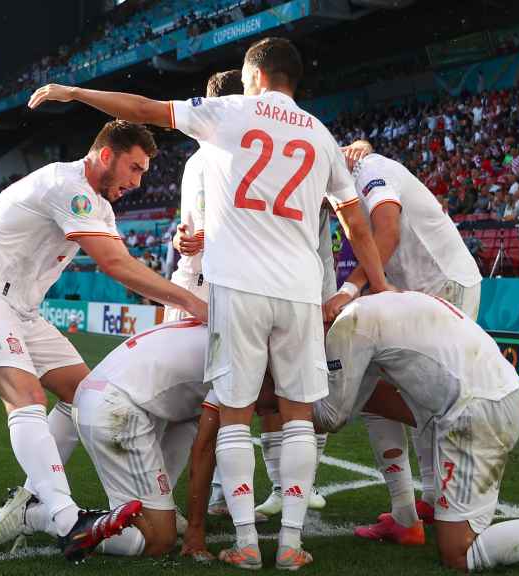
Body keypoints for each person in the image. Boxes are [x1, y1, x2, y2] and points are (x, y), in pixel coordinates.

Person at [30, 36, 392, 569]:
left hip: (238, 289)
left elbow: (144, 110)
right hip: (299, 290)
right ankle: (291, 546)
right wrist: (378, 286)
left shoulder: (232, 111)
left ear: (257, 75)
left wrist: (76, 92)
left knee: (234, 417)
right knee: (296, 419)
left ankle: (245, 541)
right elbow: (355, 221)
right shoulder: (319, 132)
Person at [0, 120, 207, 562]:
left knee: (87, 396)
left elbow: (122, 259)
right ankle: (64, 519)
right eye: (133, 169)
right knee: (24, 393)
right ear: (105, 155)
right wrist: (193, 303)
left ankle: (30, 504)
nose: (136, 183)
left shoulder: (100, 207)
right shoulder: (68, 187)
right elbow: (115, 264)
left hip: (21, 310)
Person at [316, 291, 519, 575]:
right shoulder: (378, 305)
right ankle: (420, 511)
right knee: (380, 399)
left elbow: (331, 417)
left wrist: (281, 397)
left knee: (458, 554)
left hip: (476, 413)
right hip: (493, 395)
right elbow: (371, 398)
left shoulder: (348, 329)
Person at [313, 151, 484, 547]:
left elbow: (386, 233)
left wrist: (347, 290)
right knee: (380, 386)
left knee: (431, 398)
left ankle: (442, 500)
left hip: (444, 284)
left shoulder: (369, 170)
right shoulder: (353, 179)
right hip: (418, 290)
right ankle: (418, 507)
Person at [16, 319, 212, 558]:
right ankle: (39, 516)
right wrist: (196, 529)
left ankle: (47, 514)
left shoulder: (221, 332)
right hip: (115, 408)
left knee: (141, 522)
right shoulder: (239, 355)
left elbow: (185, 424)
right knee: (159, 540)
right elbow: (205, 448)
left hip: (104, 395)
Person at [165, 70, 242, 322]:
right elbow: (197, 228)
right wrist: (183, 239)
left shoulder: (242, 158)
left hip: (226, 286)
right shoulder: (200, 161)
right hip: (194, 286)